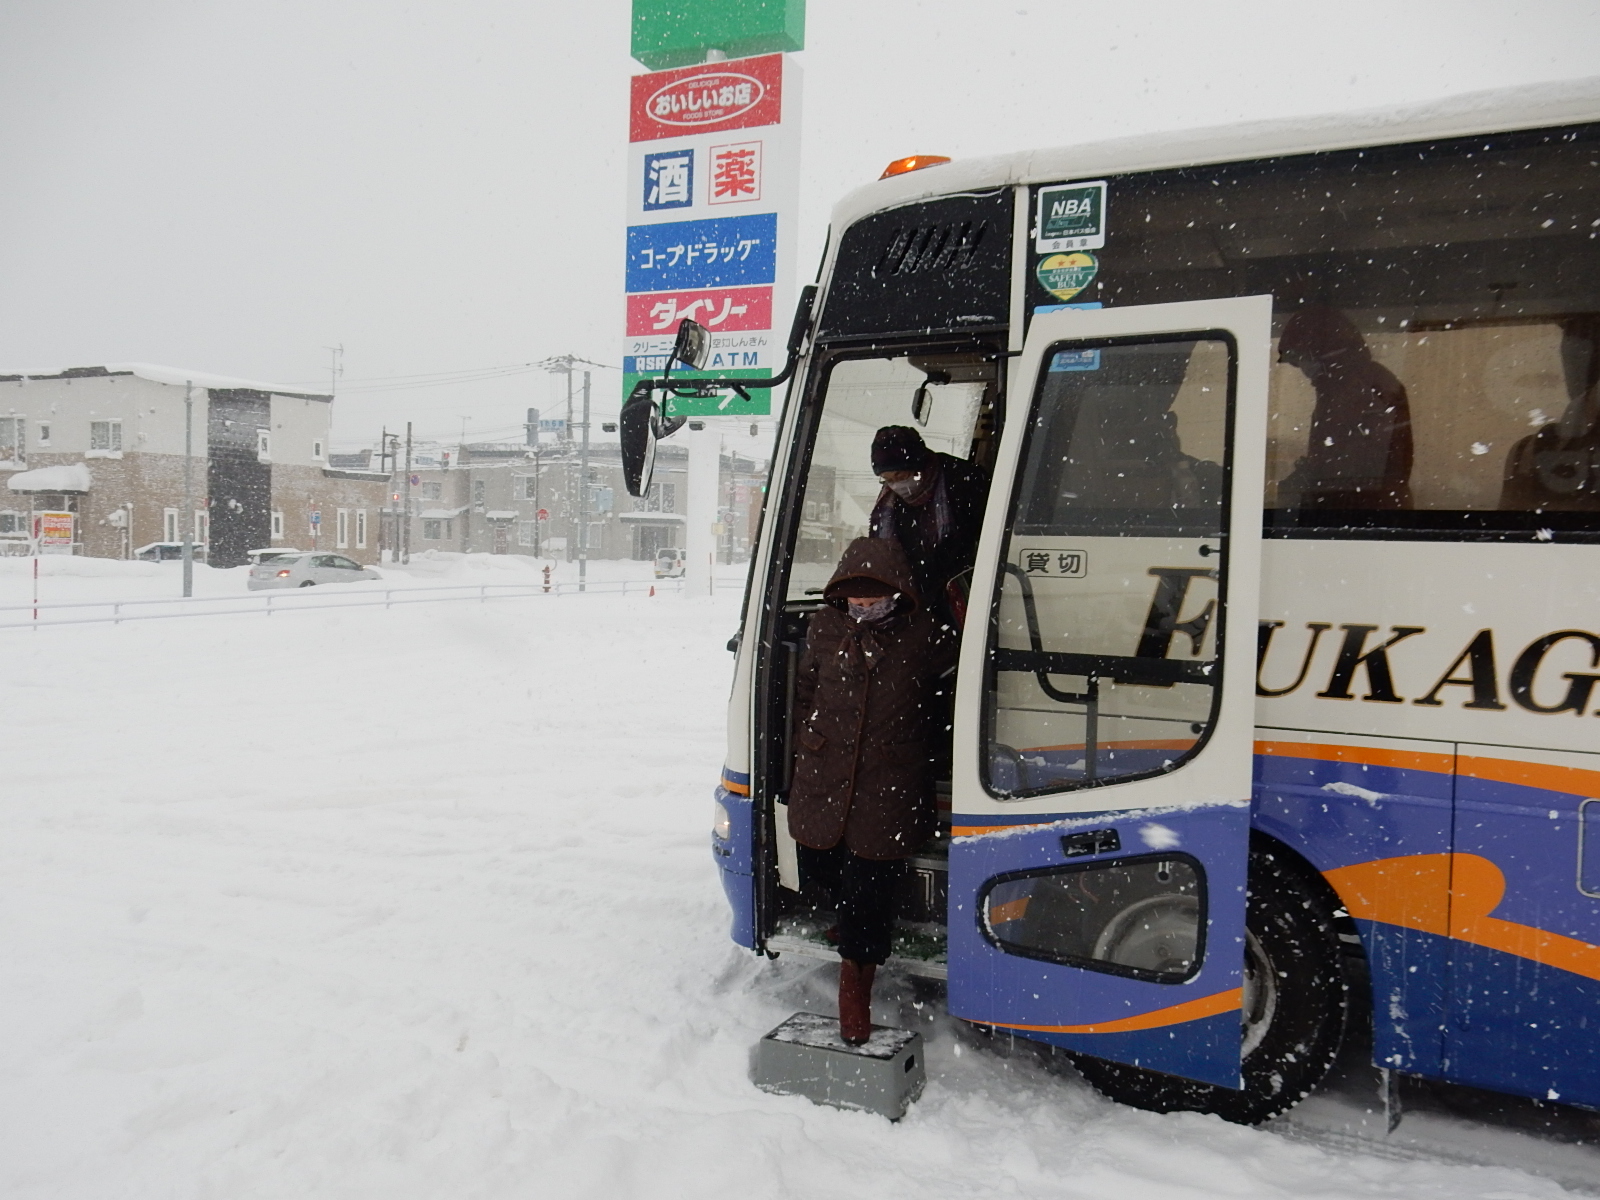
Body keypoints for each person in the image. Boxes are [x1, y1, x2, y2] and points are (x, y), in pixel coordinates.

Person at [789, 537, 957, 1043]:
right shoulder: (824, 628)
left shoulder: (923, 635)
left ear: (898, 596)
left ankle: (855, 988)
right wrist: (805, 742)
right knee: (817, 860)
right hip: (826, 769)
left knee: (869, 882)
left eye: (875, 603)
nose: (863, 612)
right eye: (856, 604)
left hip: (888, 777)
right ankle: (855, 924)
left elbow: (948, 694)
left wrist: (922, 746)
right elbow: (806, 690)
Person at [1276, 304, 1413, 510]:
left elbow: (1351, 470)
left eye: (1301, 359)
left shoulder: (1354, 387)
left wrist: (1312, 482)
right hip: (1366, 510)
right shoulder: (1354, 382)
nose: (1303, 370)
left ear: (1319, 354)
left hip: (1362, 513)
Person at [867, 426, 988, 625]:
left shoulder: (963, 480)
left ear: (919, 464)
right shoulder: (890, 503)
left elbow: (982, 538)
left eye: (901, 476)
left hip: (967, 592)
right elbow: (886, 554)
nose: (896, 485)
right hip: (919, 601)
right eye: (887, 480)